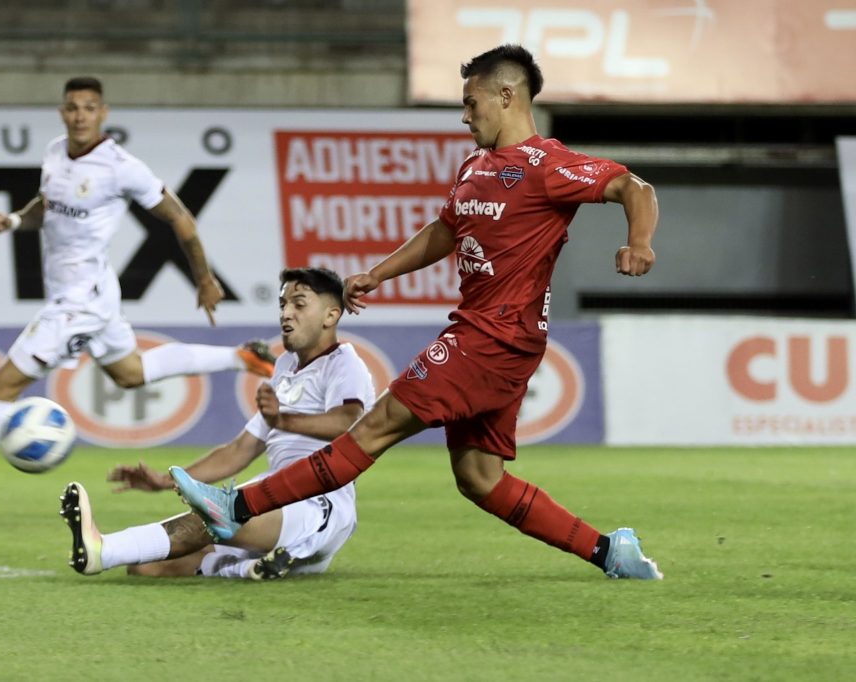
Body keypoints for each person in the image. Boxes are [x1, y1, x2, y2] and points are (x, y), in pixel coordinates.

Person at [170, 44, 664, 580]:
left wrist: (639, 241)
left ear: (506, 95)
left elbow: (633, 187)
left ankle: (236, 508)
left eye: (472, 102)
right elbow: (445, 231)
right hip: (494, 339)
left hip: (492, 337)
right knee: (480, 478)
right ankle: (610, 552)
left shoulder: (548, 166)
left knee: (373, 427)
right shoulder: (476, 166)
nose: (464, 114)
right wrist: (380, 272)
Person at [0, 76, 275, 505]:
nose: (79, 116)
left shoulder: (120, 166)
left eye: (89, 108)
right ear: (62, 112)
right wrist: (15, 221)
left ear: (103, 113)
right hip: (93, 290)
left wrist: (204, 278)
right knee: (131, 373)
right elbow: (46, 206)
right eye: (72, 107)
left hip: (81, 300)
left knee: (2, 386)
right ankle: (242, 357)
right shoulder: (56, 151)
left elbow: (181, 218)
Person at [60, 267, 374, 580]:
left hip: (317, 503)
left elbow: (349, 423)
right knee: (146, 567)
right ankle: (251, 568)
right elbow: (241, 449)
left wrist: (281, 419)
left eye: (299, 304)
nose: (286, 314)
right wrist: (162, 482)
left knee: (214, 517)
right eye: (282, 305)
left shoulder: (344, 363)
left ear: (331, 316)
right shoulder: (286, 365)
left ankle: (103, 549)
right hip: (272, 494)